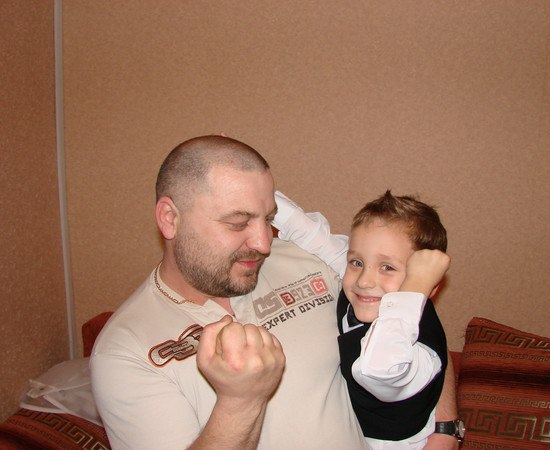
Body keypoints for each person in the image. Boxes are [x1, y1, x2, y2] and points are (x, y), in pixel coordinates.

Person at [90, 135, 460, 450]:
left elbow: (407, 308)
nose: (264, 243)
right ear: (170, 219)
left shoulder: (310, 261)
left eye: (267, 218)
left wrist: (444, 429)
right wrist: (240, 401)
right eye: (238, 222)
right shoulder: (125, 352)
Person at [275, 191, 454, 449]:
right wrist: (260, 197)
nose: (364, 280)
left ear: (424, 286)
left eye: (387, 267)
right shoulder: (368, 288)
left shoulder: (421, 356)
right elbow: (314, 236)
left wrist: (415, 287)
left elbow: (378, 368)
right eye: (357, 262)